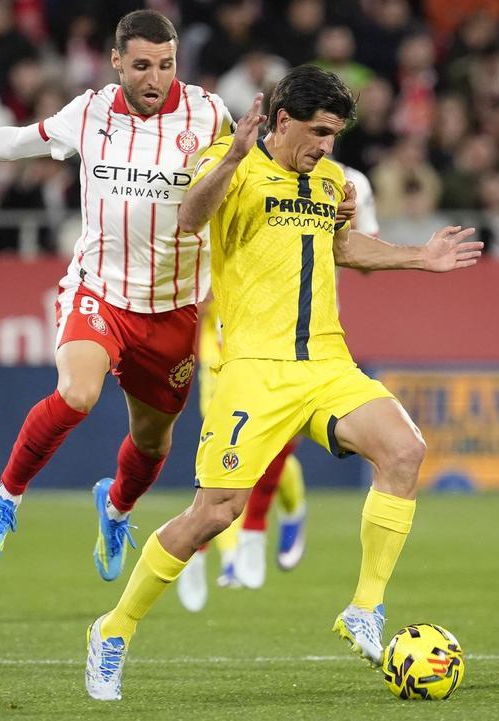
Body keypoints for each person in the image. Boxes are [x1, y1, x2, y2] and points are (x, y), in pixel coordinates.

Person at [84, 65, 482, 701]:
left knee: (405, 450)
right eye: (319, 131)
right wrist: (234, 156)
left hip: (326, 361)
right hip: (255, 370)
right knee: (214, 514)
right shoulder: (233, 162)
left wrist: (418, 258)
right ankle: (113, 629)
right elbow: (189, 219)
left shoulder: (329, 181)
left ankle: (364, 608)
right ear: (281, 120)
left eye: (335, 135)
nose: (327, 146)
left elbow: (343, 248)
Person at [0, 10, 235, 582]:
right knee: (77, 393)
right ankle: (4, 497)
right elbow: (19, 141)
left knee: (152, 444)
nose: (156, 79)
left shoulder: (209, 113)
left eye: (167, 64)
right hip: (99, 291)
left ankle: (116, 508)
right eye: (144, 66)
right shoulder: (92, 111)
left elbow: (252, 177)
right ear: (117, 63)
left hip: (175, 305)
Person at [175, 160, 379, 610]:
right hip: (232, 332)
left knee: (274, 443)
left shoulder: (348, 180)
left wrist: (352, 224)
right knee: (226, 446)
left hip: (310, 333)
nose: (324, 138)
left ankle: (256, 527)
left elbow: (359, 255)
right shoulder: (240, 169)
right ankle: (214, 547)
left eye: (332, 129)